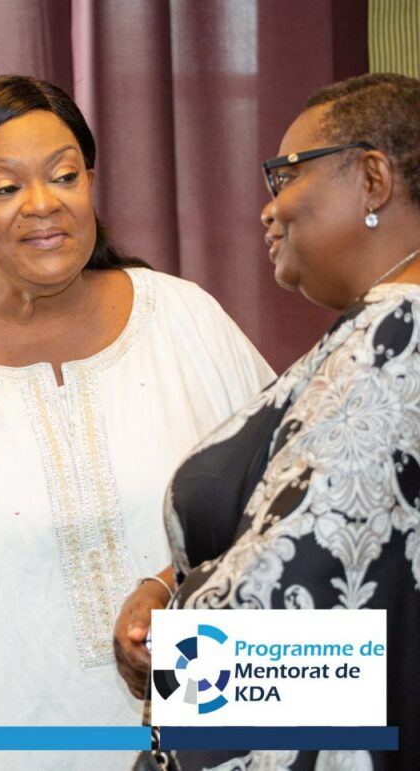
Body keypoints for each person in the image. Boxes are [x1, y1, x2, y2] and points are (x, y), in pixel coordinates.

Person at [0, 74, 273, 771]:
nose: (43, 203)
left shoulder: (186, 320)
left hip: (196, 737)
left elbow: (290, 508)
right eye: (5, 187)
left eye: (64, 175)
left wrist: (172, 587)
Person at [115, 73, 420, 770]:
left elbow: (294, 599)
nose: (269, 207)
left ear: (373, 180)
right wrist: (168, 586)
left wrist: (178, 641)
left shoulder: (397, 336)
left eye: (286, 174)